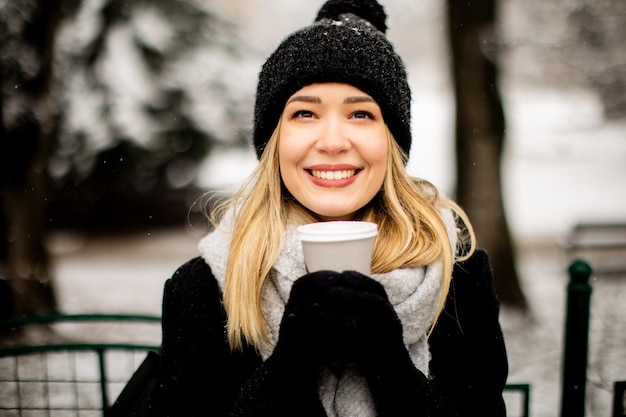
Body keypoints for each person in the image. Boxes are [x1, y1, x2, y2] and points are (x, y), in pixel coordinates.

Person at [148, 1, 508, 416]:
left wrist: (391, 366)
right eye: (304, 113)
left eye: (360, 113)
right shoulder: (206, 286)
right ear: (274, 142)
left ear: (391, 142)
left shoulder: (457, 277)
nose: (333, 141)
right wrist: (289, 366)